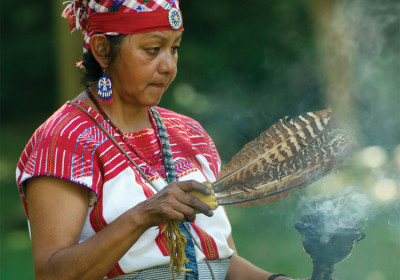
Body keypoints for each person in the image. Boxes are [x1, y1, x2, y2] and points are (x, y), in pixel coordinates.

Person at [16, 1, 299, 279]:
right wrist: (143, 215)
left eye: (174, 48)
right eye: (153, 49)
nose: (168, 65)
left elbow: (222, 262)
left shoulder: (189, 133)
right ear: (103, 49)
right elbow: (52, 275)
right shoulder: (63, 141)